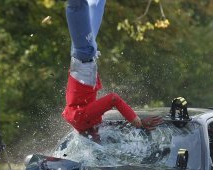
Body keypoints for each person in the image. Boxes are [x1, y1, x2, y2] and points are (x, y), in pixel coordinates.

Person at [62, 0, 162, 135]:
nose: (100, 136)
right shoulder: (87, 123)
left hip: (84, 55)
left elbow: (113, 99)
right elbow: (112, 127)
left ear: (89, 136)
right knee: (96, 5)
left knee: (77, 5)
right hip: (84, 57)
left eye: (97, 138)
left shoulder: (80, 120)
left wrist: (138, 122)